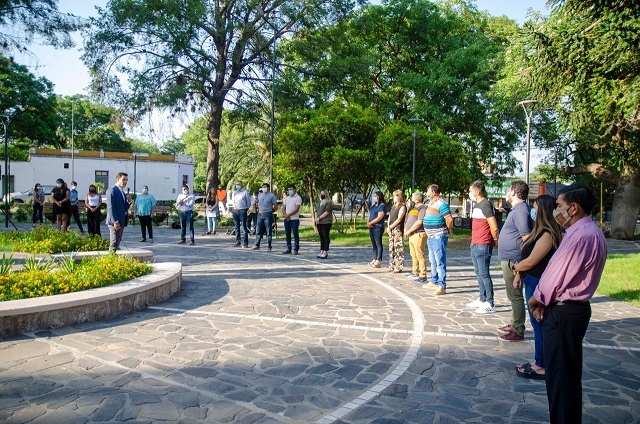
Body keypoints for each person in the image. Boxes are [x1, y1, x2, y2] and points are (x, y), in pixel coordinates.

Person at [529, 184, 607, 423]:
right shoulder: (588, 232)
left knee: (561, 379)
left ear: (573, 208)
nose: (556, 211)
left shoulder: (581, 236)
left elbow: (555, 276)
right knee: (566, 377)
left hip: (563, 312)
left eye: (559, 206)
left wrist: (536, 299)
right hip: (570, 311)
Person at [511, 195, 563, 380]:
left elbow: (532, 260)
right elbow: (526, 256)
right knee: (536, 324)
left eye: (535, 207)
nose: (532, 211)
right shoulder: (537, 231)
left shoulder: (548, 233)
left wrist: (516, 268)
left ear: (542, 210)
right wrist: (519, 273)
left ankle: (541, 364)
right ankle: (538, 360)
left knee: (539, 323)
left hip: (538, 282)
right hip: (530, 279)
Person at [497, 181, 532, 342]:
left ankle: (518, 329)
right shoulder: (517, 209)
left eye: (509, 190)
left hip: (514, 259)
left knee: (515, 295)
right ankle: (514, 323)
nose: (507, 193)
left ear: (514, 192)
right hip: (509, 258)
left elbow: (526, 238)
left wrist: (520, 264)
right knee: (512, 294)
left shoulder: (521, 210)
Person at [466, 180, 499, 314]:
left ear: (478, 191)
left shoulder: (485, 204)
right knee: (478, 272)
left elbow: (494, 226)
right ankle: (482, 298)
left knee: (484, 273)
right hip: (475, 243)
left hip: (483, 244)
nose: (470, 193)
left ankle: (490, 303)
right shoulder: (476, 205)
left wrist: (495, 239)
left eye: (471, 190)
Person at [422, 184, 453, 295]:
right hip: (430, 236)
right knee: (433, 260)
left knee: (440, 260)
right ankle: (434, 280)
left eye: (428, 191)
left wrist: (448, 229)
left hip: (438, 236)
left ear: (434, 192)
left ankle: (442, 285)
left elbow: (449, 219)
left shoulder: (442, 204)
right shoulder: (431, 203)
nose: (427, 193)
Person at [403, 192, 427, 283]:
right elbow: (408, 220)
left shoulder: (423, 208)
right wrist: (406, 230)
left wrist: (409, 230)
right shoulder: (413, 209)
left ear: (417, 200)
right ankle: (415, 272)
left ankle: (423, 274)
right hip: (411, 234)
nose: (411, 200)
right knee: (413, 254)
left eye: (412, 198)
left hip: (418, 233)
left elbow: (419, 222)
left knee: (419, 254)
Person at [106, 172, 131, 252]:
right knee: (114, 243)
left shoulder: (122, 192)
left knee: (117, 243)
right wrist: (115, 221)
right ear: (117, 179)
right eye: (123, 180)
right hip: (115, 222)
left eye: (126, 180)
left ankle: (113, 257)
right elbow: (110, 207)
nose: (125, 182)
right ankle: (111, 257)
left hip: (121, 221)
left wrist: (128, 202)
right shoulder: (112, 190)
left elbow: (124, 208)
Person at [253, 183, 278, 251]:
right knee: (258, 230)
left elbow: (275, 206)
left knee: (268, 230)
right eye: (262, 187)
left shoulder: (272, 195)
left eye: (265, 187)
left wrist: (270, 211)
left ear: (268, 188)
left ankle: (269, 245)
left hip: (267, 214)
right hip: (260, 214)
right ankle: (257, 245)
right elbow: (257, 203)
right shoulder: (260, 195)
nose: (263, 188)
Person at [387, 189, 407, 273]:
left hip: (397, 229)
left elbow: (399, 219)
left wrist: (391, 227)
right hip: (391, 229)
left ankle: (398, 266)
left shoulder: (402, 207)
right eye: (394, 196)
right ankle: (392, 265)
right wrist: (388, 227)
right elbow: (389, 217)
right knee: (391, 248)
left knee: (398, 248)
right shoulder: (393, 207)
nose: (394, 197)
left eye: (396, 196)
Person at [367, 190, 387, 268]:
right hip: (371, 227)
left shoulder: (382, 206)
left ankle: (378, 260)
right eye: (374, 196)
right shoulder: (373, 206)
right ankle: (374, 258)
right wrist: (368, 222)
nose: (374, 197)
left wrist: (371, 223)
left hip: (378, 227)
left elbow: (379, 217)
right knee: (374, 244)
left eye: (376, 196)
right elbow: (369, 215)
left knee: (378, 243)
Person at [282, 184, 303, 255]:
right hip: (287, 219)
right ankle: (288, 248)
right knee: (287, 234)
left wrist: (288, 215)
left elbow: (296, 209)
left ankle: (296, 248)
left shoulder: (298, 198)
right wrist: (285, 215)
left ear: (294, 189)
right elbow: (283, 207)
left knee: (295, 234)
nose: (289, 191)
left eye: (291, 189)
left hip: (294, 219)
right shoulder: (287, 198)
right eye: (288, 190)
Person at [231, 180, 252, 247]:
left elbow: (249, 202)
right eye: (236, 184)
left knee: (244, 227)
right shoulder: (235, 193)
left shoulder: (245, 192)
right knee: (236, 227)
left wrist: (246, 209)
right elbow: (233, 202)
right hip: (236, 210)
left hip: (243, 210)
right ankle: (238, 241)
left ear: (241, 185)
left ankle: (245, 243)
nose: (237, 186)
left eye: (239, 184)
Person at [315, 188, 333, 259]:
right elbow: (316, 211)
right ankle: (322, 250)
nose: (322, 195)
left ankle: (325, 251)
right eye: (321, 194)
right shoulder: (319, 203)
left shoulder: (329, 202)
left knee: (325, 236)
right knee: (321, 236)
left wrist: (319, 218)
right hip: (319, 222)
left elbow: (327, 212)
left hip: (326, 222)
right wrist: (316, 219)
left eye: (323, 194)